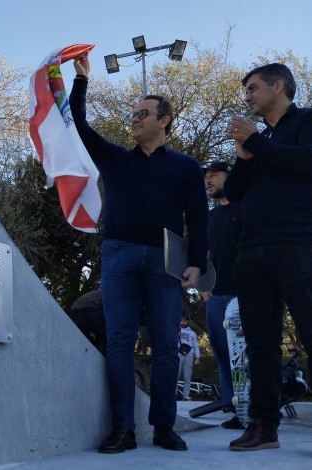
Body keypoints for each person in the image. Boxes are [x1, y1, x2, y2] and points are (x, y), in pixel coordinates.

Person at [70, 55, 209, 454]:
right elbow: (79, 124)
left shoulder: (186, 167)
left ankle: (164, 426)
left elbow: (198, 219)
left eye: (143, 113)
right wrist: (82, 81)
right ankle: (123, 429)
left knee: (166, 343)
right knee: (118, 342)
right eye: (133, 113)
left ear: (163, 120)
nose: (135, 119)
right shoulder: (115, 159)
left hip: (166, 261)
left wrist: (196, 262)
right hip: (119, 257)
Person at [224, 63, 312, 451]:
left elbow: (306, 162)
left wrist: (256, 143)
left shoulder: (307, 121)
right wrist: (245, 157)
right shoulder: (260, 142)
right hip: (252, 251)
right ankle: (263, 426)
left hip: (298, 246)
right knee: (259, 343)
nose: (247, 96)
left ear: (279, 87)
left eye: (253, 88)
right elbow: (236, 193)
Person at [201, 160, 244, 429]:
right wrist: (204, 289)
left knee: (245, 355)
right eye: (206, 177)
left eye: (214, 175)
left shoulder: (246, 207)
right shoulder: (209, 217)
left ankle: (257, 408)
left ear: (229, 176)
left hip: (244, 295)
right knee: (222, 352)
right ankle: (234, 407)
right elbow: (204, 255)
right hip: (216, 297)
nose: (208, 181)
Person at [68, 289, 106, 355]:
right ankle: (105, 355)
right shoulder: (108, 294)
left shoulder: (99, 293)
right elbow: (104, 314)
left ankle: (95, 348)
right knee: (103, 334)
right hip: (86, 308)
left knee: (84, 338)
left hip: (74, 311)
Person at [177, 315, 200, 401]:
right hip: (178, 355)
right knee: (176, 376)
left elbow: (196, 346)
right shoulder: (176, 330)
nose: (183, 322)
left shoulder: (192, 333)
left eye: (185, 321)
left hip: (189, 355)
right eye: (181, 321)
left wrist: (197, 357)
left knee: (187, 377)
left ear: (188, 322)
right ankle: (173, 395)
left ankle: (186, 395)